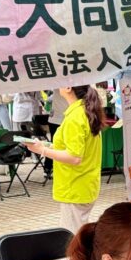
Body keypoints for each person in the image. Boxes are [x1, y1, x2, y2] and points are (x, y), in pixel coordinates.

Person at [26, 85, 103, 233]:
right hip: (84, 184)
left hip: (75, 185)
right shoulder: (84, 112)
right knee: (78, 235)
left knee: (72, 238)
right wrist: (45, 146)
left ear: (68, 87)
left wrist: (42, 150)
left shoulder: (75, 117)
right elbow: (73, 148)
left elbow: (74, 157)